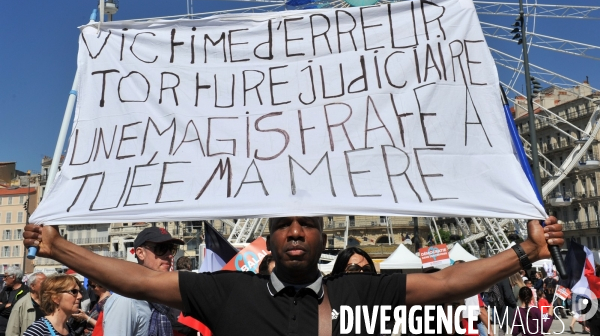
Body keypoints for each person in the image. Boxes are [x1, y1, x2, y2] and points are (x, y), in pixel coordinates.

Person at [24, 216, 563, 335]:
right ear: (272, 235)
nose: (297, 232)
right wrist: (60, 248)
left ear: (325, 236)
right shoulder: (228, 290)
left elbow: (447, 284)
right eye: (285, 225)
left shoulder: (359, 291)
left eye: (309, 225)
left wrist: (526, 252)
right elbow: (140, 282)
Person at [101, 226, 195, 336]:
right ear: (140, 253)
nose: (169, 255)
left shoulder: (163, 298)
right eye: (161, 248)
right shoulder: (126, 300)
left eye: (172, 249)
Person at [0, 267, 29, 336]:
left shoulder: (25, 292)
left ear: (13, 277)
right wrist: (5, 305)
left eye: (5, 276)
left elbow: (14, 311)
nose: (3, 279)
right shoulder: (6, 289)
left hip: (12, 331)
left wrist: (2, 306)